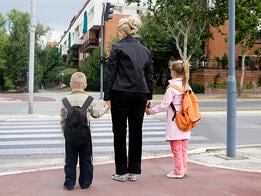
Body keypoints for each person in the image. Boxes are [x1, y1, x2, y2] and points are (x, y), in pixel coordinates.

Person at [103, 16, 153, 182]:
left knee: (119, 132)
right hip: (140, 94)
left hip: (120, 92)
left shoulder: (117, 48)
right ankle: (133, 172)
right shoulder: (145, 51)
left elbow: (111, 73)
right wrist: (149, 96)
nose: (117, 34)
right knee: (136, 132)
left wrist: (107, 96)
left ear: (122, 31)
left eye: (118, 31)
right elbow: (149, 75)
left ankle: (121, 172)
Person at [60, 72, 109, 190]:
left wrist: (65, 134)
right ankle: (85, 182)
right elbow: (96, 114)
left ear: (71, 85)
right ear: (85, 85)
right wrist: (106, 108)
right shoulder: (89, 100)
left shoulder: (65, 101)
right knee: (86, 159)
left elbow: (63, 120)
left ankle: (69, 183)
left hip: (70, 136)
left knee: (70, 160)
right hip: (85, 136)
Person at [146, 60, 191, 179]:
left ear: (174, 72)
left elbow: (164, 106)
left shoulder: (172, 88)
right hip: (186, 121)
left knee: (176, 147)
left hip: (175, 121)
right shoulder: (187, 85)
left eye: (171, 69)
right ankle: (183, 168)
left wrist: (150, 111)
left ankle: (178, 170)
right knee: (183, 148)